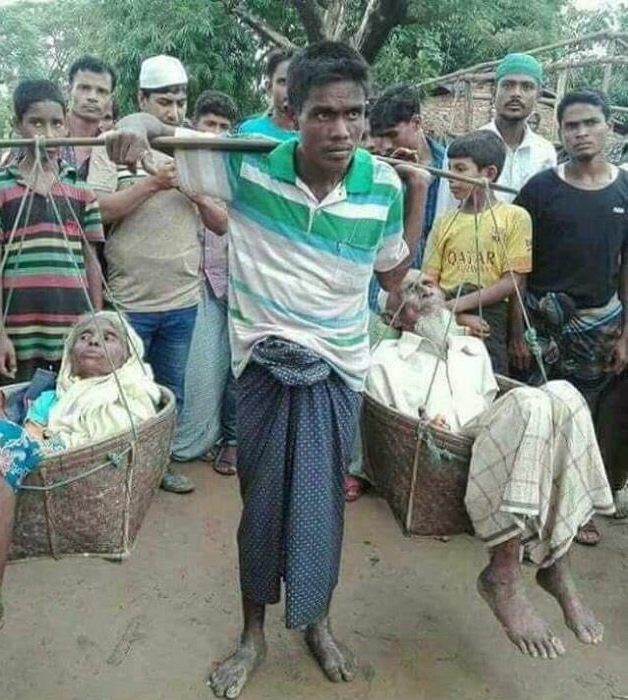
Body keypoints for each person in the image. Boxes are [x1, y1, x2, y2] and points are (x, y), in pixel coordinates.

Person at [106, 40, 429, 697]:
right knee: (261, 510)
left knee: (322, 510)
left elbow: (392, 272)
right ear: (292, 110)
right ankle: (253, 633)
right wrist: (133, 129)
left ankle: (317, 622)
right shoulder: (244, 167)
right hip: (262, 367)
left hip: (338, 369)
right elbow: (155, 130)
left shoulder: (384, 185)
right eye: (322, 114)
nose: (340, 130)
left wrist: (417, 287)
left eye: (353, 115)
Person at [365, 279, 614, 660]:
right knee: (531, 402)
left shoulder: (471, 349)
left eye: (429, 284)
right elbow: (391, 425)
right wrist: (429, 424)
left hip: (498, 453)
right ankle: (503, 572)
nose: (425, 288)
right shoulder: (386, 358)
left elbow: (491, 403)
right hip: (444, 454)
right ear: (394, 317)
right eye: (411, 289)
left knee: (563, 392)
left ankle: (558, 561)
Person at [0, 312, 161, 641]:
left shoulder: (131, 398)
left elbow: (78, 448)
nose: (94, 340)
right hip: (27, 468)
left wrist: (8, 425)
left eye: (108, 337)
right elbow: (26, 439)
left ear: (128, 356)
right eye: (84, 336)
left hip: (76, 477)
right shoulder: (51, 397)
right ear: (69, 356)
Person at [87, 55, 227, 494]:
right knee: (120, 392)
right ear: (141, 100)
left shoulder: (195, 146)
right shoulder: (114, 146)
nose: (173, 111)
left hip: (183, 299)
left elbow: (221, 222)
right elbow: (96, 212)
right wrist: (150, 183)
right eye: (163, 102)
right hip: (130, 300)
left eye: (180, 101)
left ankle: (159, 466)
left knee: (171, 393)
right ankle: (119, 473)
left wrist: (192, 191)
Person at [510, 89, 628, 541]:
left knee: (588, 422)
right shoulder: (541, 189)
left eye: (590, 123)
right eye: (572, 125)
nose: (581, 132)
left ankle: (578, 512)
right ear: (560, 131)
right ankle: (530, 512)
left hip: (600, 330)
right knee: (540, 416)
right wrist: (517, 333)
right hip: (544, 329)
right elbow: (518, 266)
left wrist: (624, 336)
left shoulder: (623, 190)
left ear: (607, 126)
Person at [0, 80, 105, 383]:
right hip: (18, 335)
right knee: (18, 410)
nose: (48, 133)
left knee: (68, 413)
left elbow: (91, 261)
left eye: (57, 123)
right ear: (18, 125)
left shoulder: (82, 192)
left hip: (73, 334)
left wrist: (96, 322)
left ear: (66, 126)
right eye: (36, 123)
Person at [423, 130, 533, 374]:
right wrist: (454, 317)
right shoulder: (444, 222)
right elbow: (429, 280)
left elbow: (512, 281)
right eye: (449, 168)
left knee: (485, 381)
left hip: (490, 315)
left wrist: (454, 307)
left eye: (460, 169)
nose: (450, 177)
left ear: (489, 173)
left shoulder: (514, 217)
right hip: (443, 311)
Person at [171, 90, 238, 474]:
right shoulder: (176, 154)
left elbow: (225, 220)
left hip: (230, 276)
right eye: (208, 124)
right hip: (190, 278)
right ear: (193, 124)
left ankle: (225, 439)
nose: (214, 133)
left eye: (223, 127)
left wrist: (194, 194)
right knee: (195, 369)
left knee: (228, 366)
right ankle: (191, 440)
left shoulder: (232, 166)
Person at [369, 84, 454, 265]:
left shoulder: (451, 168)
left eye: (392, 135)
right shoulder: (379, 170)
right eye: (379, 137)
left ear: (416, 123)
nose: (385, 146)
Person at [480, 53, 557, 203]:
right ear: (494, 90)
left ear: (538, 95)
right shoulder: (467, 149)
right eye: (507, 85)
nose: (516, 94)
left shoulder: (545, 153)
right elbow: (445, 213)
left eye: (527, 87)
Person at [63, 55, 116, 178]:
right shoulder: (46, 135)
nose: (92, 97)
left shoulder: (113, 144)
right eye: (84, 88)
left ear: (110, 99)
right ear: (69, 90)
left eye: (102, 91)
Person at [237, 49, 296, 140]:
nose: (290, 89)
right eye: (283, 82)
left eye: (297, 82)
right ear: (269, 88)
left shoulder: (314, 134)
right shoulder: (249, 132)